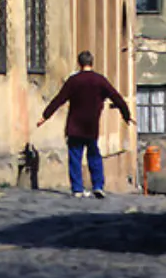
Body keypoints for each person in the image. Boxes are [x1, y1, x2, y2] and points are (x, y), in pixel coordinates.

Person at [37, 49, 132, 197]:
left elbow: (59, 99)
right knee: (94, 154)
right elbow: (117, 97)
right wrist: (126, 115)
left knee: (75, 156)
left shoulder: (73, 81)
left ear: (79, 63)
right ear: (91, 63)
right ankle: (98, 185)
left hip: (74, 125)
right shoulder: (100, 80)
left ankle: (77, 189)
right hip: (91, 125)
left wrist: (45, 116)